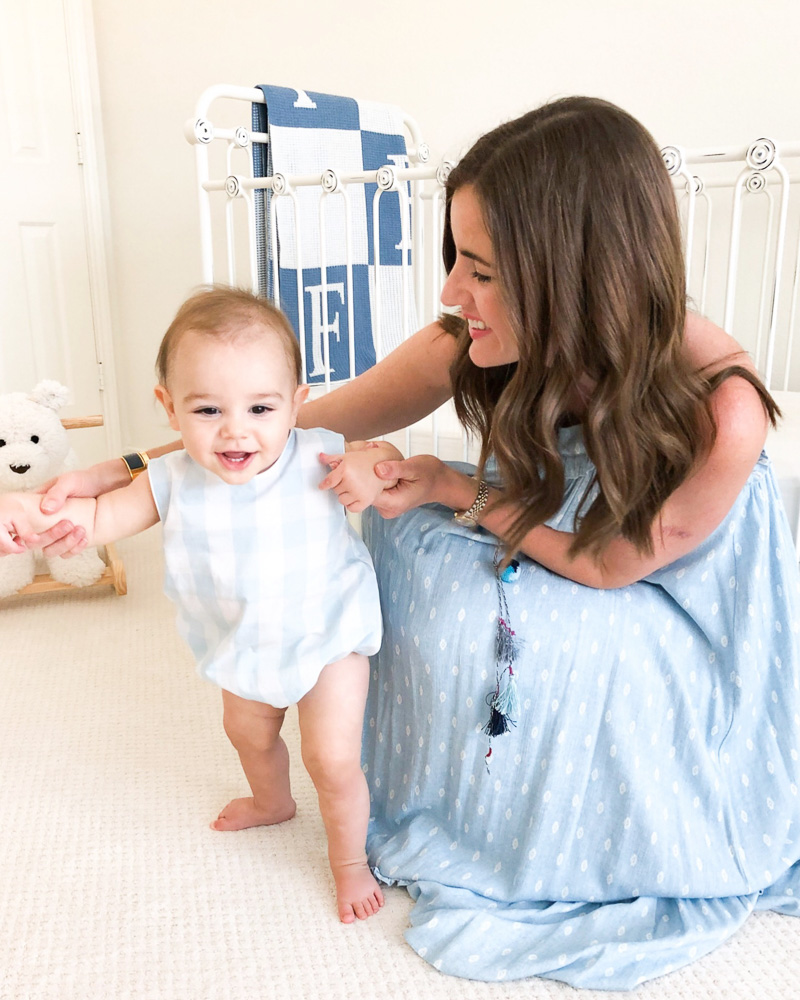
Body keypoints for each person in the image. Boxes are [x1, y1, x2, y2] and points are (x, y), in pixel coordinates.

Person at [9, 97, 800, 988]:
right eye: (454, 257)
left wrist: (454, 484)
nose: (452, 292)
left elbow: (610, 565)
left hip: (657, 573)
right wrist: (118, 470)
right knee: (397, 536)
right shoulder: (464, 339)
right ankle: (458, 802)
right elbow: (295, 425)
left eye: (483, 270)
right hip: (545, 511)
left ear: (578, 276)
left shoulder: (721, 411)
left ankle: (545, 831)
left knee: (543, 635)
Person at [0, 287, 403, 925]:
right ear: (169, 408)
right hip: (241, 638)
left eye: (261, 407)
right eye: (209, 408)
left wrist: (374, 468)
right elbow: (102, 513)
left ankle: (350, 861)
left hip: (329, 634)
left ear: (296, 404)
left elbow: (385, 459)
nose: (236, 429)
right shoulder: (170, 478)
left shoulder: (319, 451)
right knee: (247, 731)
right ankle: (272, 802)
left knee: (330, 757)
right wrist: (30, 518)